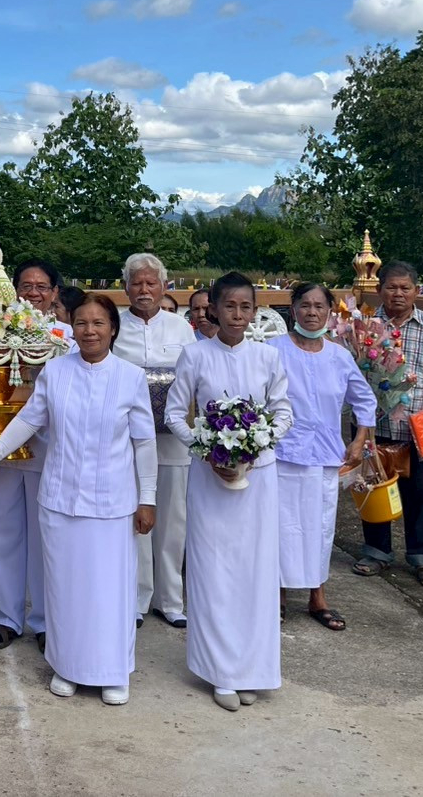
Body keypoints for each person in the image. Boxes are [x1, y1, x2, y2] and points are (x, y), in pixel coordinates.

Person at [0, 294, 157, 705]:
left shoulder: (130, 377)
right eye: (82, 323)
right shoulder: (55, 372)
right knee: (64, 588)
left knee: (109, 589)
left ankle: (113, 672)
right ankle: (67, 666)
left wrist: (148, 499)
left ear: (113, 329)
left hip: (112, 505)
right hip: (59, 499)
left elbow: (144, 443)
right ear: (71, 328)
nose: (89, 331)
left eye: (98, 323)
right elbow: (28, 420)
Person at [164, 272, 293, 712]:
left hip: (258, 479)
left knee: (255, 572)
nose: (238, 314)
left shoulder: (268, 357)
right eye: (229, 306)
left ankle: (252, 670)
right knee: (214, 571)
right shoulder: (195, 355)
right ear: (213, 309)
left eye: (246, 306)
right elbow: (175, 415)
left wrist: (257, 447)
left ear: (255, 311)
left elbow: (283, 413)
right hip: (210, 479)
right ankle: (220, 671)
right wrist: (206, 450)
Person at [0, 257, 69, 654]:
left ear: (54, 293)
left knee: (45, 536)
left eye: (41, 286)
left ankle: (45, 620)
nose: (33, 292)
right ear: (13, 291)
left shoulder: (66, 337)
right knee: (3, 532)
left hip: (48, 448)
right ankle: (7, 618)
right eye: (26, 286)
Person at [353, 262, 423, 589]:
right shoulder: (362, 326)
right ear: (379, 290)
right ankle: (376, 551)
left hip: (419, 429)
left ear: (417, 291)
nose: (398, 294)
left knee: (421, 492)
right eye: (391, 287)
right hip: (372, 425)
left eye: (405, 288)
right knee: (372, 486)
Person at [269, 284, 376, 630]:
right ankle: (279, 595)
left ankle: (318, 596)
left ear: (330, 312)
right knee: (282, 526)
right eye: (305, 305)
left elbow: (365, 400)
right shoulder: (273, 350)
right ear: (293, 310)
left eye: (319, 306)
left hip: (326, 456)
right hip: (283, 455)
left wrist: (360, 440)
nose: (312, 312)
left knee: (320, 526)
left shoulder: (339, 356)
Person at [112, 253, 196, 631]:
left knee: (173, 520)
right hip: (128, 440)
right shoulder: (115, 326)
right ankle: (137, 599)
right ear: (125, 287)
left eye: (151, 283)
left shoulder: (181, 328)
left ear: (164, 286)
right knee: (137, 517)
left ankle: (170, 600)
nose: (144, 290)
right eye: (137, 283)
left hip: (174, 439)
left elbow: (193, 379)